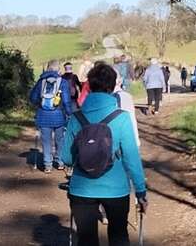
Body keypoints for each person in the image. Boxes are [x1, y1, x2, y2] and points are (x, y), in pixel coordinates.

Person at [61, 63, 148, 246]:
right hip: (116, 189)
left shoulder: (76, 118)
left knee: (86, 240)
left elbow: (66, 158)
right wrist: (140, 191)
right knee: (118, 237)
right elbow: (131, 158)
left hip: (81, 189)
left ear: (89, 86)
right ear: (112, 86)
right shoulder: (121, 117)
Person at [29, 60, 73, 173]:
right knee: (60, 139)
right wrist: (69, 113)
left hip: (43, 115)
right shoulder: (62, 82)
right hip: (58, 115)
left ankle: (47, 164)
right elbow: (67, 101)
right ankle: (60, 162)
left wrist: (40, 104)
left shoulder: (41, 81)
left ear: (47, 68)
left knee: (46, 141)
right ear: (58, 69)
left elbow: (33, 98)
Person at [114, 69, 140, 147]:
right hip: (116, 148)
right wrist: (135, 142)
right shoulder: (124, 97)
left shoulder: (87, 101)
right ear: (118, 81)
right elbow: (130, 120)